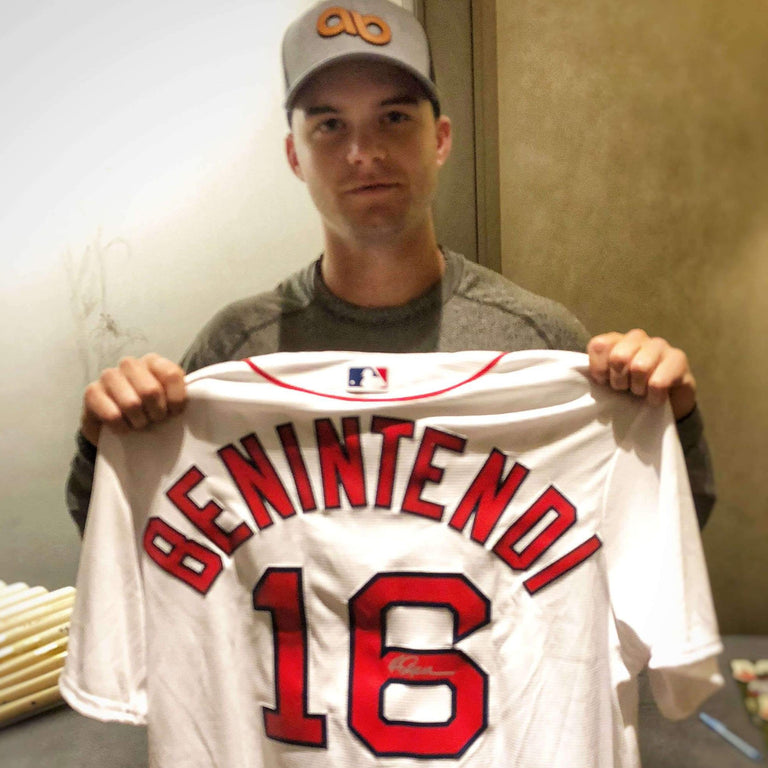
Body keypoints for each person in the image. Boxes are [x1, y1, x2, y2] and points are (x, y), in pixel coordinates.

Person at [66, 0, 714, 534]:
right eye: (329, 126)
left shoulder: (538, 345)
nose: (363, 152)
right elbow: (129, 541)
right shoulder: (236, 354)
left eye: (394, 118)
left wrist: (669, 416)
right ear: (295, 156)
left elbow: (656, 538)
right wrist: (107, 438)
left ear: (440, 139)